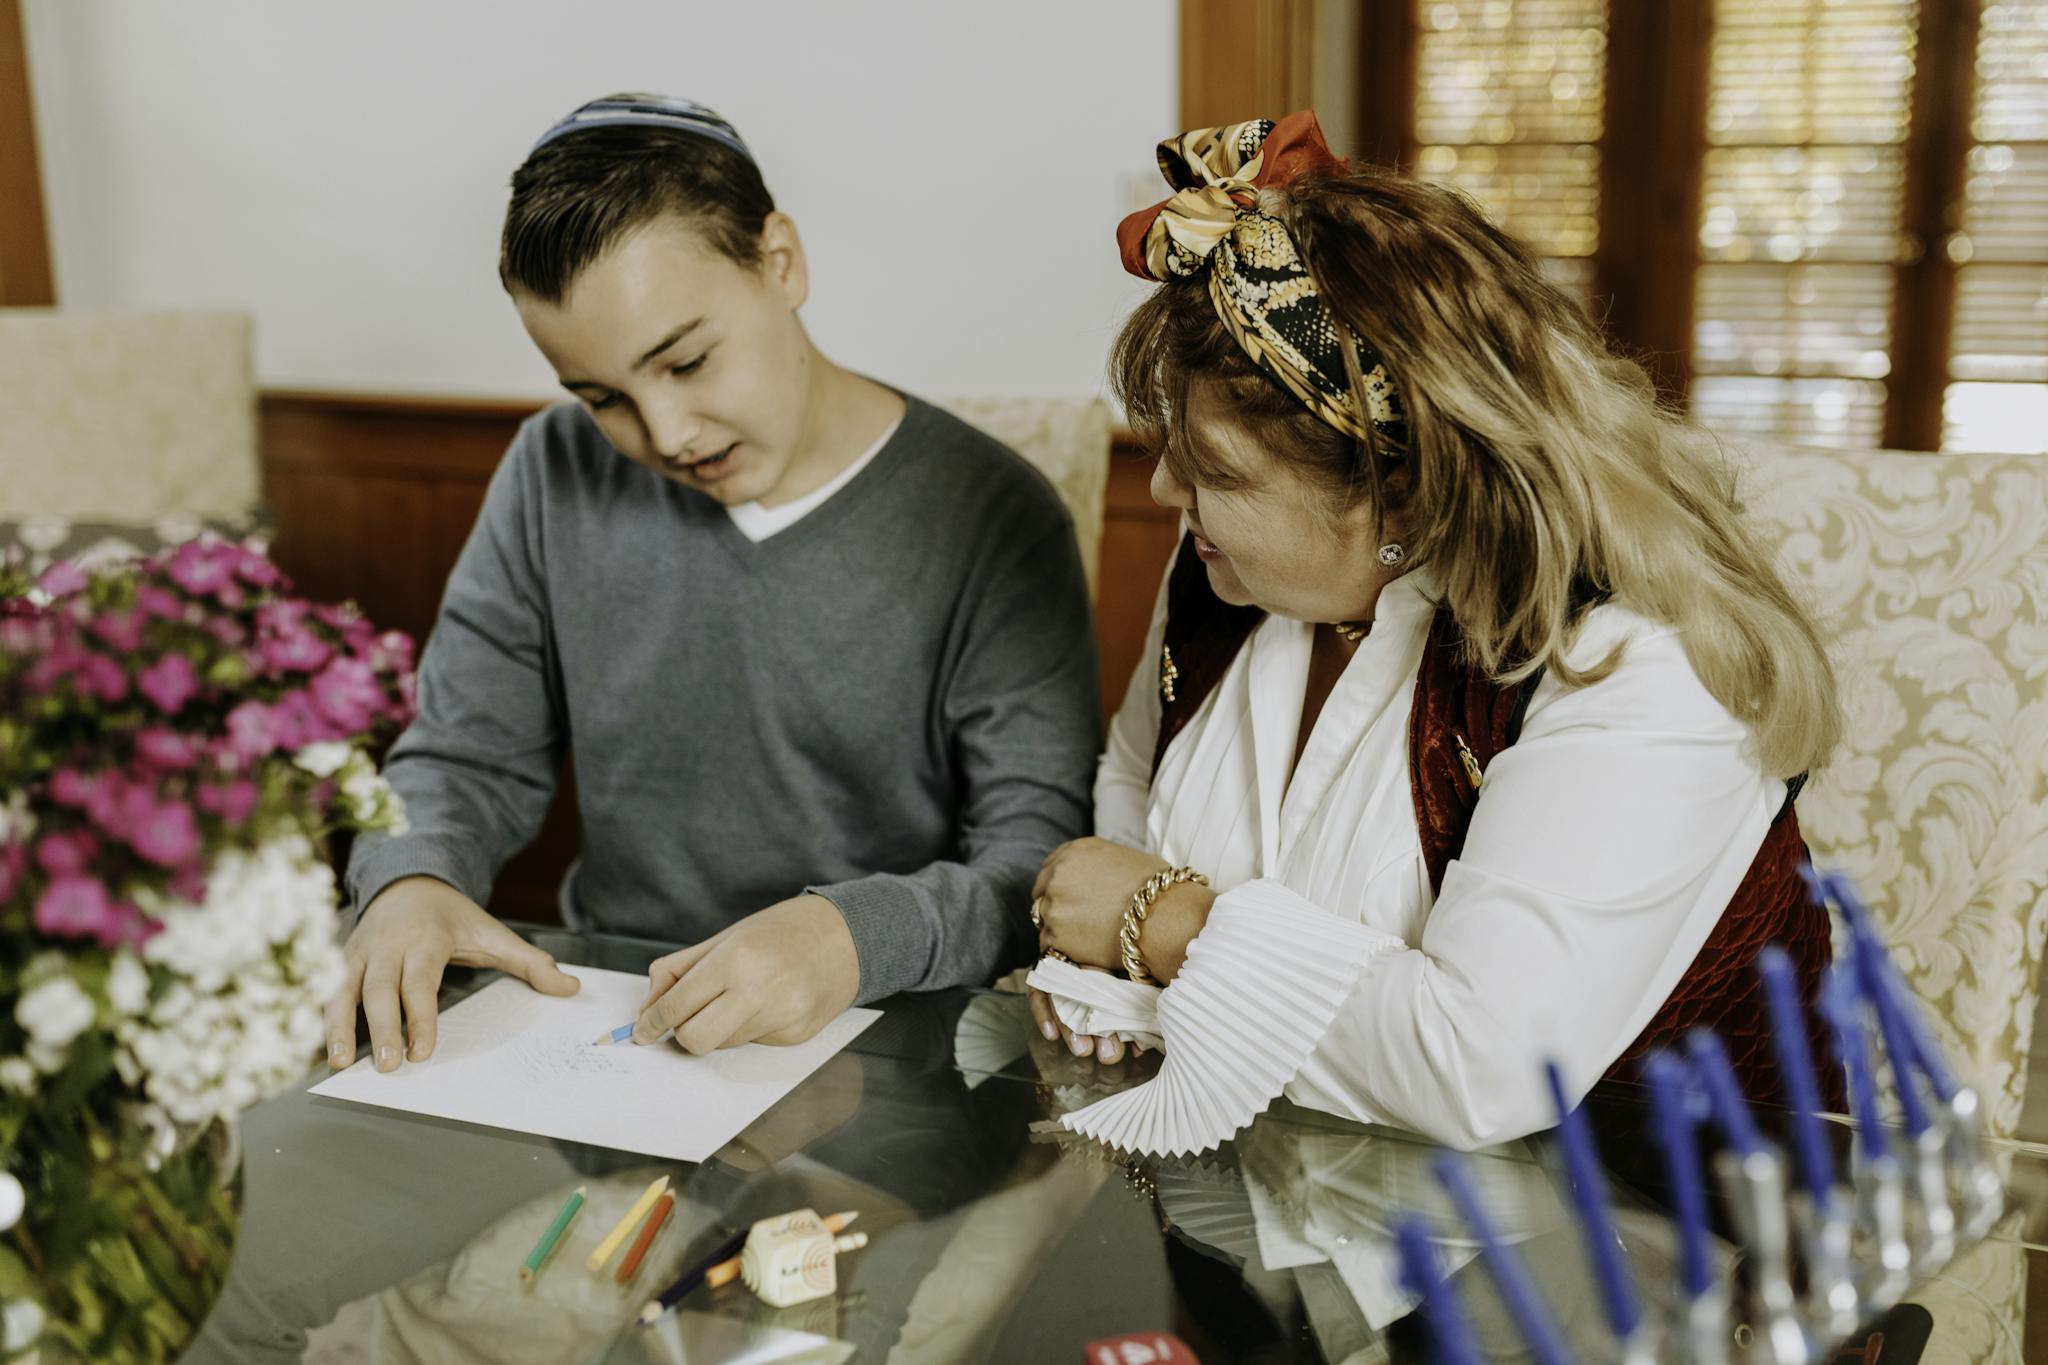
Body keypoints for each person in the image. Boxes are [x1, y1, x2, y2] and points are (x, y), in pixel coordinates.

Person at [1026, 111, 1844, 1153]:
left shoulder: (1633, 662)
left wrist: (1165, 929)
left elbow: (1480, 1067)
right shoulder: (1224, 578)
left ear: (1400, 497)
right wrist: (1116, 961)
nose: (1161, 488)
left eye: (1216, 471)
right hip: (1289, 1212)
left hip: (1645, 1246)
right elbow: (1132, 800)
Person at [326, 94, 1099, 1073]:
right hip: (618, 1031)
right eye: (602, 397)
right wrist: (408, 879)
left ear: (780, 262)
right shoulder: (551, 470)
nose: (666, 435)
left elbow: (1041, 863)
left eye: (687, 360)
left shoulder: (993, 513)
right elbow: (465, 755)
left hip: (898, 1046)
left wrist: (849, 937)